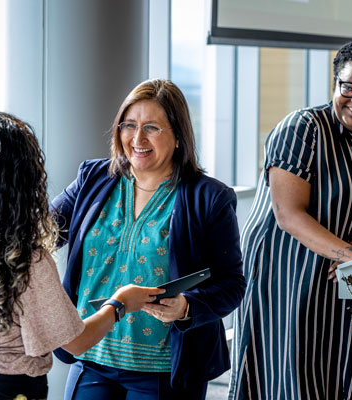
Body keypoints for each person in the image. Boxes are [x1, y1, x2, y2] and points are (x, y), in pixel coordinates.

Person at [0, 112, 164, 400]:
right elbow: (77, 342)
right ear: (25, 180)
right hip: (4, 390)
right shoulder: (26, 259)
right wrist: (120, 303)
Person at [229, 40, 352, 400]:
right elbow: (288, 215)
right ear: (335, 83)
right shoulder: (303, 128)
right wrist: (350, 258)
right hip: (291, 278)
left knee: (350, 374)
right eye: (347, 87)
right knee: (293, 376)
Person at [51, 78, 246, 400]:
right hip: (91, 356)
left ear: (179, 136)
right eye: (129, 125)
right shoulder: (93, 178)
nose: (137, 138)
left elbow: (232, 284)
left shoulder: (209, 197)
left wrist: (187, 306)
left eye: (152, 128)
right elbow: (40, 234)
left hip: (165, 370)